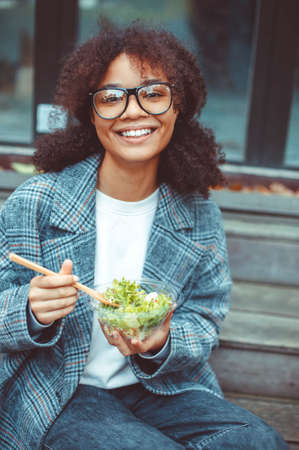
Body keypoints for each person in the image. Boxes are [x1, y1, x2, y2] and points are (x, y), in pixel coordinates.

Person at [0, 23, 288, 450]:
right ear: (90, 113)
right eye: (112, 98)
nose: (133, 112)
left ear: (178, 107)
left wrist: (161, 341)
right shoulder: (39, 200)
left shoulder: (197, 211)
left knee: (260, 443)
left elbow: (205, 317)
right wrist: (32, 308)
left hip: (159, 385)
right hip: (60, 389)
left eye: (153, 93)